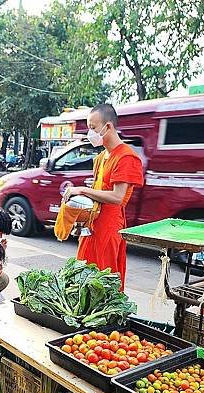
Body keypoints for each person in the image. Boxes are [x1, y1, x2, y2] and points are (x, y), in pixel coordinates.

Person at [62, 103, 144, 289]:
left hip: (109, 226)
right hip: (92, 225)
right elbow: (99, 192)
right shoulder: (100, 158)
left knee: (104, 283)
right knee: (82, 278)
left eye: (93, 128)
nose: (90, 133)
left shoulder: (126, 157)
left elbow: (117, 197)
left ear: (108, 127)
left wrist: (82, 190)